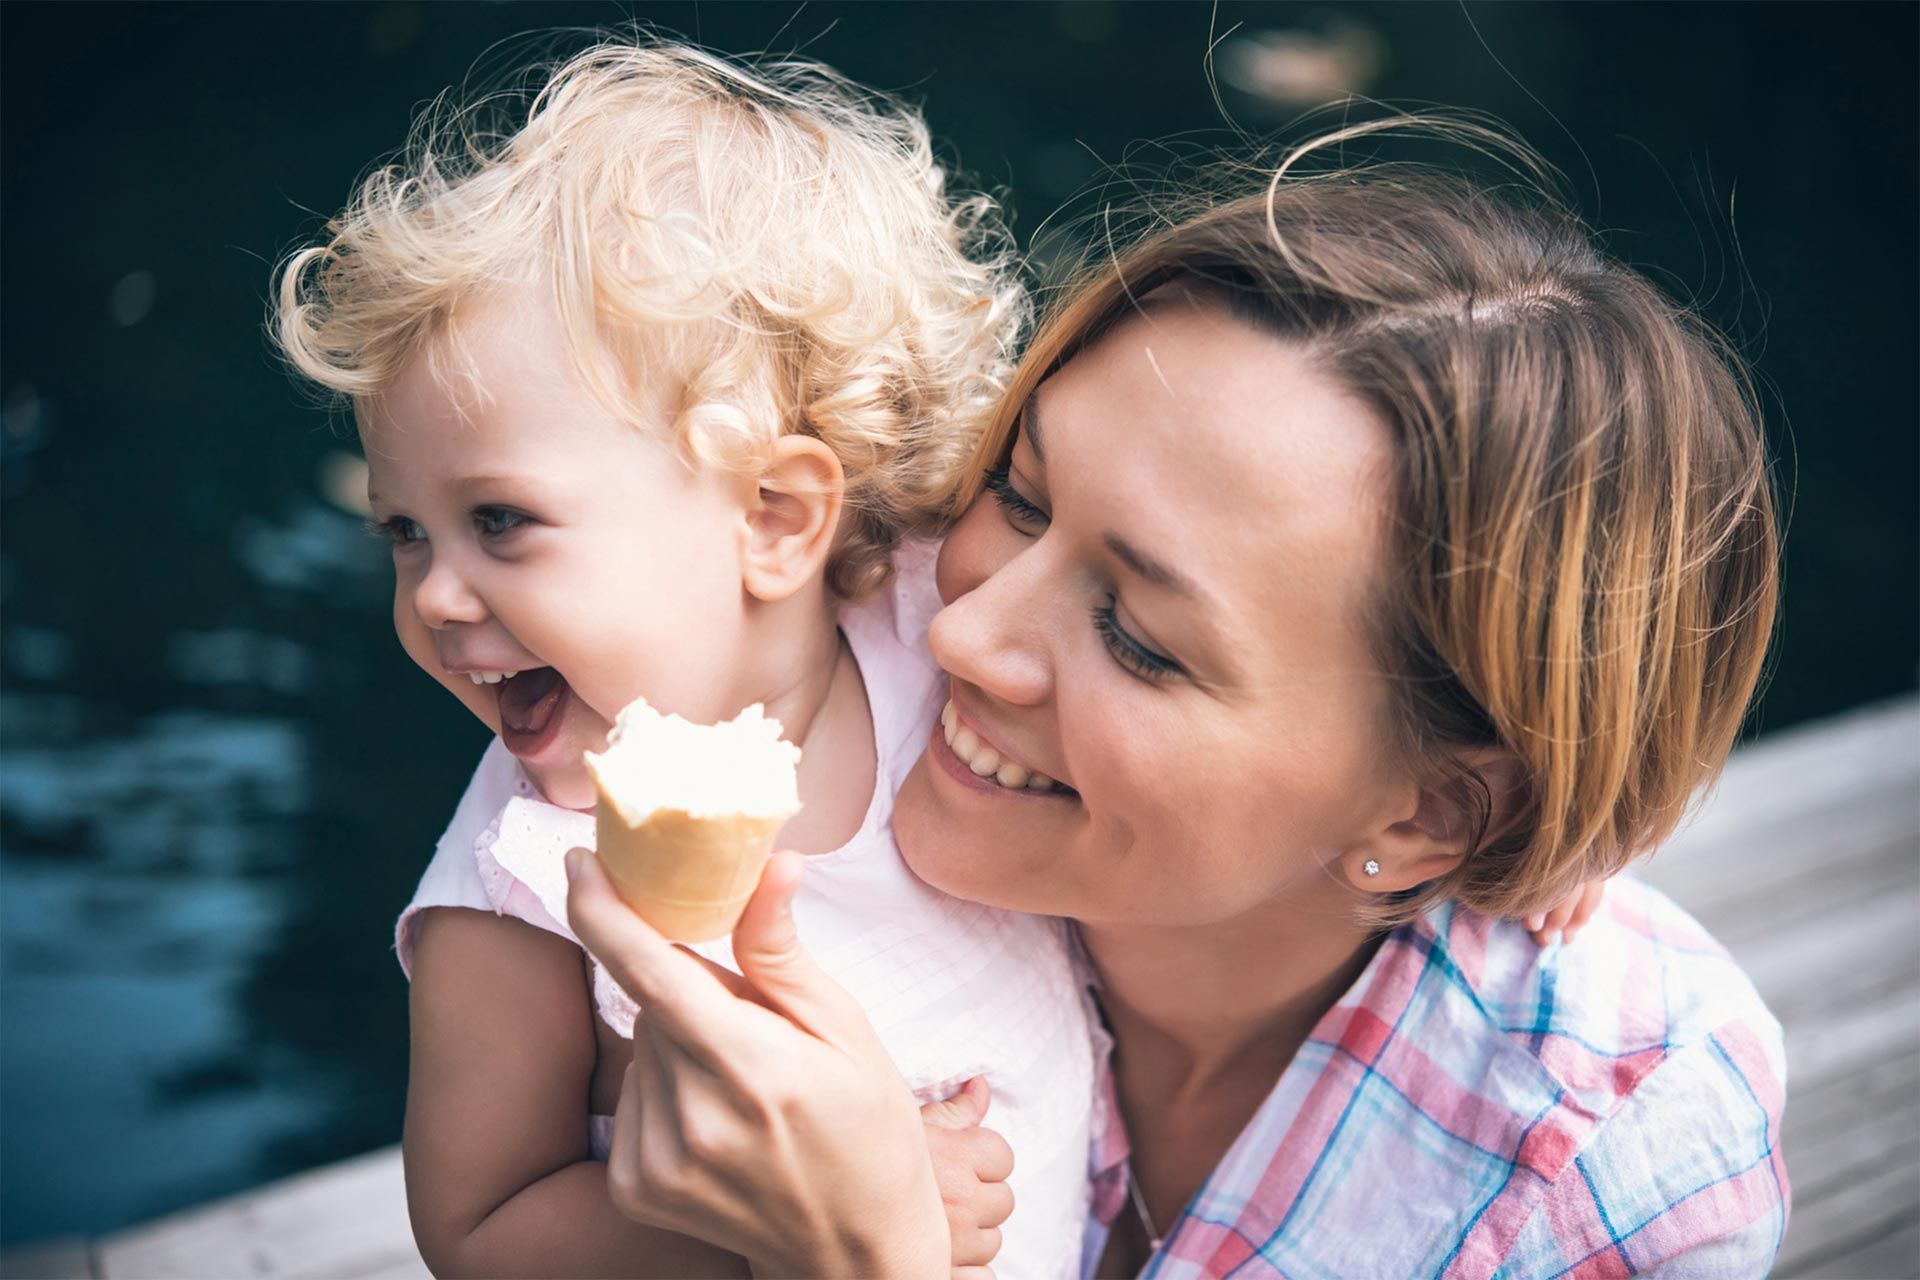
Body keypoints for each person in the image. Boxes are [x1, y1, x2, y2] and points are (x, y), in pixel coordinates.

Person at [565, 119, 1788, 1278]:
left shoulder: (1612, 1170)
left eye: (1141, 640)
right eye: (1022, 494)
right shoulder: (846, 621)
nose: (963, 630)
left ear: (1427, 819)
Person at [273, 40, 1099, 1279]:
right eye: (405, 530)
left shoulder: (937, 637)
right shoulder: (520, 891)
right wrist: (801, 1205)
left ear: (774, 516)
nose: (436, 593)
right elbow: (476, 1228)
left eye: (501, 520)